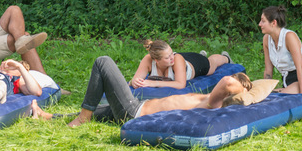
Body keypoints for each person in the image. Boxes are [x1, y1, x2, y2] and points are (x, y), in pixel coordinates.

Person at [30, 55, 252, 127]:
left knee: (103, 62)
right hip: (137, 109)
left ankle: (82, 118)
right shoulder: (209, 100)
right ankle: (47, 115)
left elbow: (226, 82)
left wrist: (245, 87)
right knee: (103, 111)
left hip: (134, 111)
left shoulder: (214, 103)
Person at [129, 39, 232, 89]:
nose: (171, 57)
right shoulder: (148, 60)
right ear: (156, 60)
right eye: (167, 57)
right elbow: (134, 80)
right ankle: (201, 55)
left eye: (171, 53)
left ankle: (226, 58)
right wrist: (135, 82)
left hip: (195, 65)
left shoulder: (175, 58)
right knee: (178, 58)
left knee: (211, 65)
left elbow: (180, 84)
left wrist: (152, 83)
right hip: (182, 63)